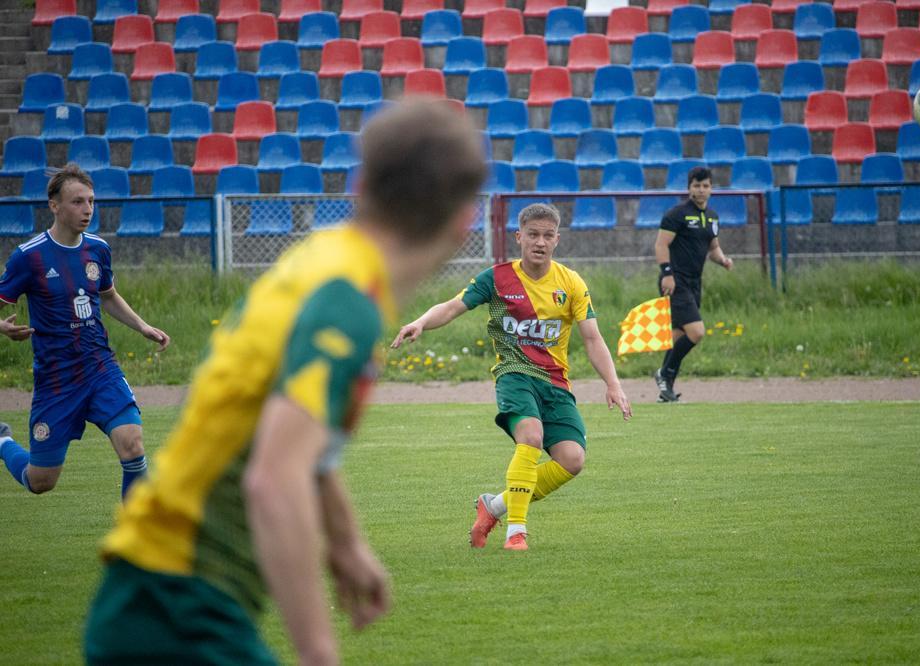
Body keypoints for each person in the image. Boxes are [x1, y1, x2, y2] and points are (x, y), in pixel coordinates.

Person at [83, 100, 487, 665]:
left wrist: (343, 542)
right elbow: (274, 477)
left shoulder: (322, 262)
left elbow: (297, 435)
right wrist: (320, 653)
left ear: (361, 183)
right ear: (465, 220)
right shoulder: (348, 301)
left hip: (159, 596)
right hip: (176, 606)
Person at [392, 202, 632, 552]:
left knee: (572, 459)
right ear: (518, 237)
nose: (540, 242)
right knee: (531, 437)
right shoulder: (498, 278)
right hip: (514, 374)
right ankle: (516, 532)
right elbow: (452, 306)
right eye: (533, 234)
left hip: (554, 382)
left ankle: (495, 506)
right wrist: (420, 322)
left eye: (547, 236)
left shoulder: (571, 283)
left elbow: (592, 338)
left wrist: (613, 384)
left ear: (557, 240)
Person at [0, 164, 169, 499]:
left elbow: (107, 295)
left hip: (99, 367)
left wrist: (143, 326)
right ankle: (3, 440)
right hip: (57, 379)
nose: (87, 209)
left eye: (91, 201)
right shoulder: (28, 257)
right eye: (78, 202)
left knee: (132, 445)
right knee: (41, 480)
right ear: (54, 206)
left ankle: (134, 543)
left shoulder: (98, 249)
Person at [653, 166, 733, 403]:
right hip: (675, 282)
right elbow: (660, 245)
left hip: (694, 283)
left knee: (678, 336)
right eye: (696, 186)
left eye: (705, 185)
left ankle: (665, 386)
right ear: (689, 188)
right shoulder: (676, 214)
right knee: (696, 332)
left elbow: (713, 248)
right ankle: (664, 374)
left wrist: (724, 260)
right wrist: (667, 273)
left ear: (711, 188)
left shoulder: (712, 217)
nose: (701, 190)